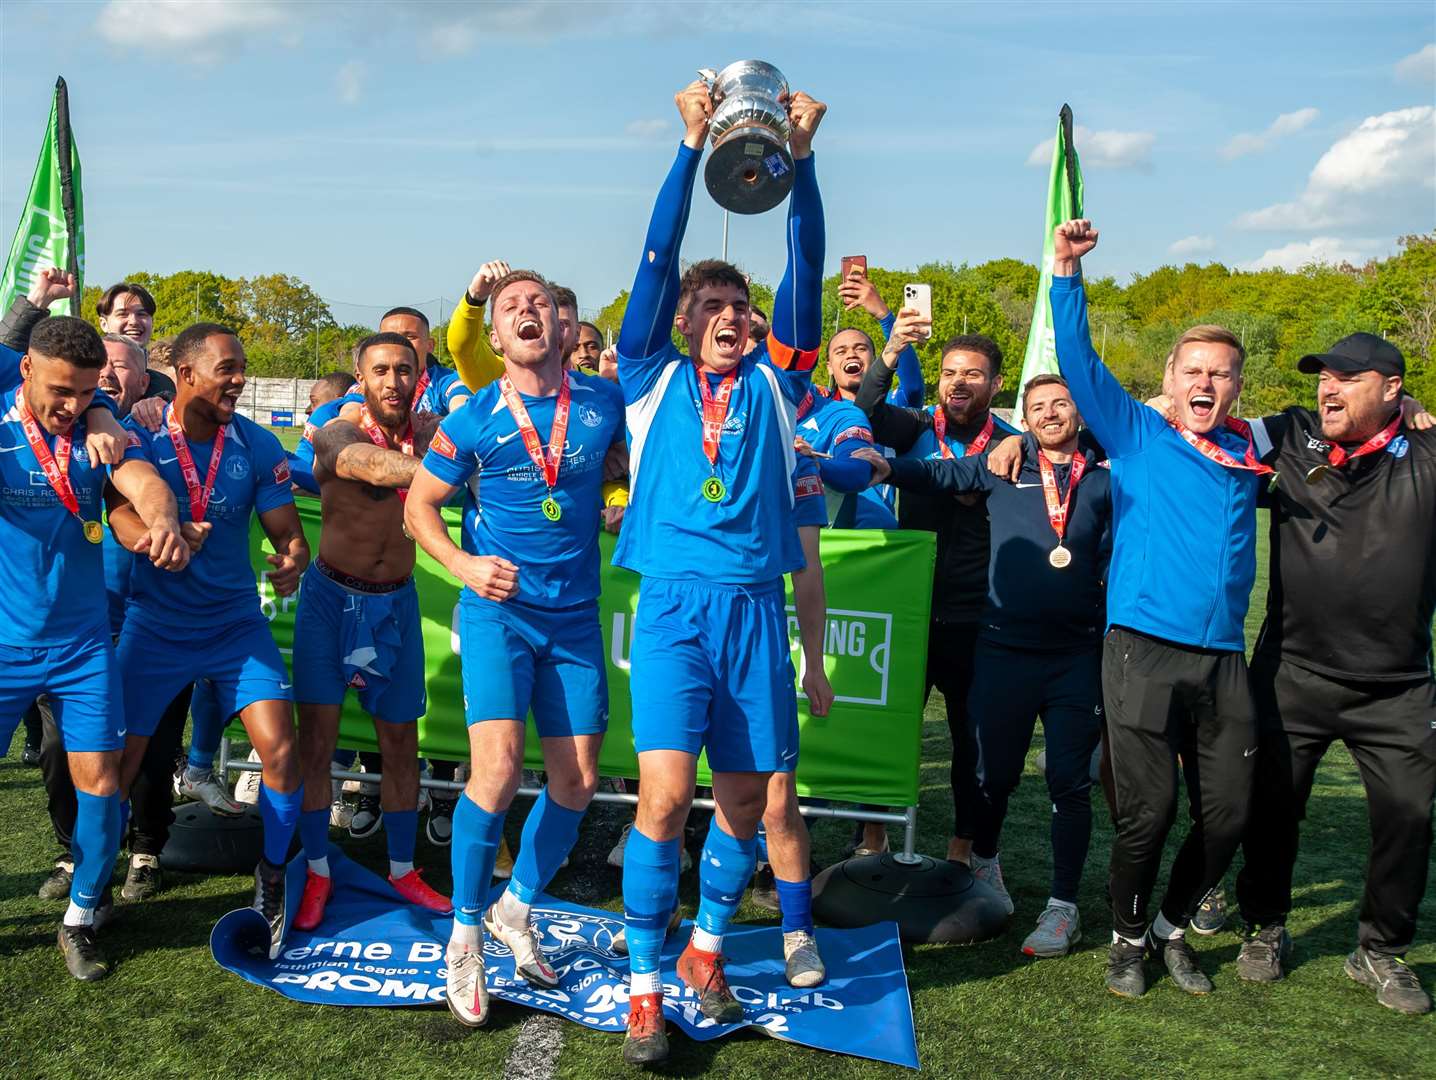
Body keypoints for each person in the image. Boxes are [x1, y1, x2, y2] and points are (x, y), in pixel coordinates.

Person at [607, 78, 826, 1066]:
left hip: (752, 612)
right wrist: (691, 145)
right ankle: (645, 987)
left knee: (743, 807)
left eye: (740, 304)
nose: (732, 313)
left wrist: (804, 162)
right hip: (673, 613)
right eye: (713, 306)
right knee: (660, 801)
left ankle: (705, 948)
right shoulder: (646, 379)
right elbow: (657, 259)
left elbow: (805, 265)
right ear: (682, 324)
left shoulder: (780, 383)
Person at [1048, 218, 1267, 998]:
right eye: (1194, 371)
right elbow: (1077, 361)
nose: (1206, 384)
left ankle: (1172, 929)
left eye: (1222, 374)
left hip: (1224, 659)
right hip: (1142, 648)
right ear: (1170, 379)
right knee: (1150, 813)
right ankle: (1127, 942)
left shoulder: (1250, 453)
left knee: (1232, 815)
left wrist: (1409, 410)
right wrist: (1066, 274)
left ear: (1237, 386)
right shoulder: (1137, 433)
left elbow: (1332, 434)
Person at [406, 270, 626, 1029]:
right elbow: (419, 506)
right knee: (496, 772)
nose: (528, 312)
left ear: (563, 327)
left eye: (539, 304)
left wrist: (615, 504)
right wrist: (463, 565)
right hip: (500, 615)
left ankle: (516, 907)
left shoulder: (603, 402)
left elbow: (619, 472)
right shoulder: (471, 417)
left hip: (574, 621)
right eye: (511, 308)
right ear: (494, 338)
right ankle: (464, 936)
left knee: (577, 781)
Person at [858, 373, 1111, 957]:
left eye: (1061, 404)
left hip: (1076, 656)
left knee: (1069, 784)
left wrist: (1081, 442)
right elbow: (939, 473)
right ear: (1022, 417)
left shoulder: (1103, 477)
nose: (1050, 414)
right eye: (1037, 408)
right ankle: (987, 860)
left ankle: (1062, 906)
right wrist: (886, 467)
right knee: (990, 776)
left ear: (1078, 412)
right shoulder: (1003, 467)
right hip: (1002, 650)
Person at [1228, 334, 1435, 1015]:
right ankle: (1265, 925)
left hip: (1398, 686)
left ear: (1393, 389)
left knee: (1408, 816)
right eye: (1324, 377)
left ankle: (1379, 950)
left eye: (1348, 378)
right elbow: (1197, 421)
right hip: (1294, 672)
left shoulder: (1431, 451)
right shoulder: (1289, 434)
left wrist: (1421, 419)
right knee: (1273, 808)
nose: (1328, 388)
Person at [108, 322, 310, 960]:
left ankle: (272, 876)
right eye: (227, 368)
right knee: (118, 767)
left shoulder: (255, 442)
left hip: (234, 625)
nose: (239, 379)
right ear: (186, 371)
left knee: (281, 751)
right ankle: (90, 886)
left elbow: (286, 529)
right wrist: (149, 538)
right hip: (156, 626)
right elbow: (116, 512)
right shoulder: (138, 437)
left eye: (242, 368)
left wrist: (293, 555)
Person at [0, 316, 189, 980]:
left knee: (103, 785)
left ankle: (82, 917)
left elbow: (143, 484)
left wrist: (163, 519)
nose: (70, 407)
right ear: (24, 370)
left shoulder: (96, 430)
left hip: (82, 649)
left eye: (86, 394)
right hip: (4, 646)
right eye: (60, 391)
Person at [292, 332, 452, 929]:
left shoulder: (437, 428)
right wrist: (446, 469)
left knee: (400, 745)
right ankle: (316, 871)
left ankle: (405, 871)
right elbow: (367, 465)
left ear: (419, 376)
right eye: (380, 370)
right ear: (360, 379)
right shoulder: (335, 430)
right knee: (318, 742)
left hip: (395, 605)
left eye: (404, 370)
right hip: (330, 601)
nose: (393, 380)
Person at [854, 319, 1018, 865]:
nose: (958, 383)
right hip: (910, 611)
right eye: (950, 373)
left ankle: (962, 852)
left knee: (971, 746)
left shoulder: (1010, 445)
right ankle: (872, 842)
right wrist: (895, 347)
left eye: (973, 374)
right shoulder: (917, 426)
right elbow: (869, 410)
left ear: (996, 385)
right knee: (883, 733)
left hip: (978, 618)